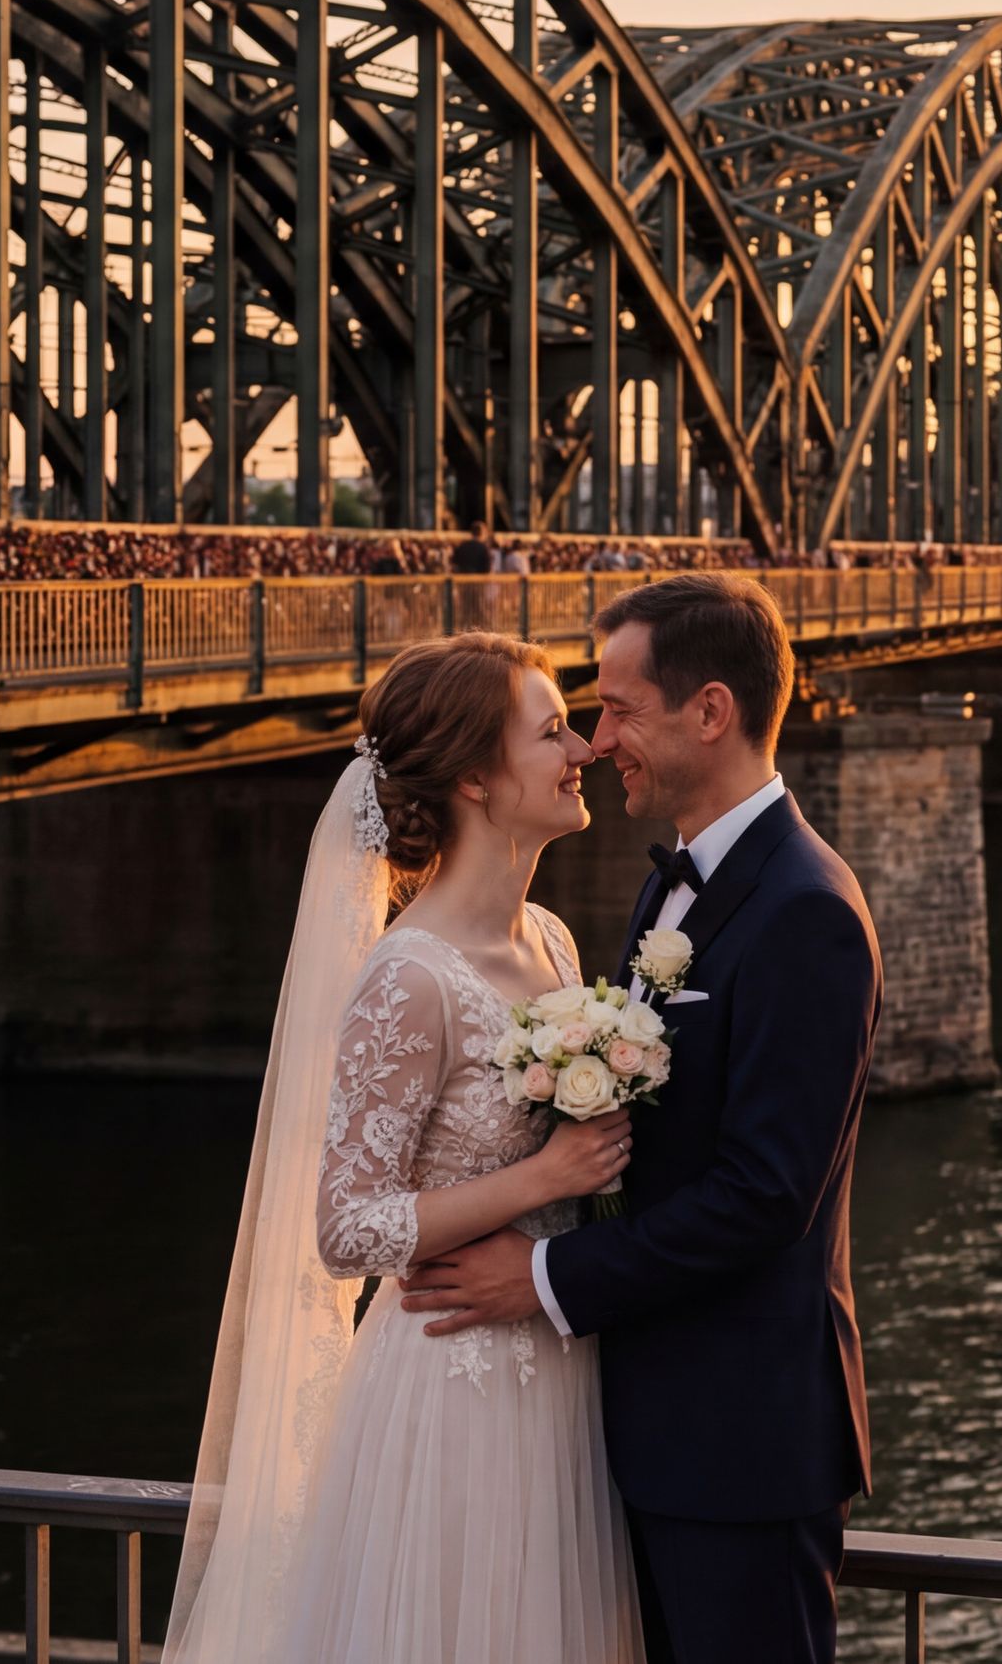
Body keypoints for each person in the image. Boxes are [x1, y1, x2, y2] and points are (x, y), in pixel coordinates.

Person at [401, 573, 881, 1664]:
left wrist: (539, 1279)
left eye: (618, 709)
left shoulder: (806, 909)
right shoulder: (672, 890)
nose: (596, 738)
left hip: (740, 1447)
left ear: (710, 712)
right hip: (636, 1434)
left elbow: (765, 1196)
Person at [164, 633, 642, 1664]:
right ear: (475, 776)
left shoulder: (553, 941)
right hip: (452, 1388)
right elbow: (348, 1226)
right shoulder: (408, 976)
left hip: (563, 1373)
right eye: (551, 729)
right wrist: (546, 1177)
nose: (583, 750)